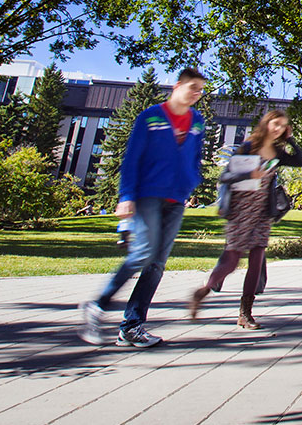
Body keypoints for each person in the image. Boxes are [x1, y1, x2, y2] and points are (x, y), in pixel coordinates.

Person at [79, 68, 208, 347]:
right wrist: (126, 196)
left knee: (157, 264)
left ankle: (132, 326)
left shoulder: (197, 121)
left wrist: (189, 184)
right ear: (178, 86)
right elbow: (131, 158)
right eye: (193, 87)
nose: (197, 94)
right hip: (147, 194)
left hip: (176, 199)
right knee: (143, 253)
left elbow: (195, 157)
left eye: (201, 90)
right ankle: (98, 305)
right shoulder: (150, 117)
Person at [189, 109, 302, 329]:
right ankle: (204, 290)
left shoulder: (278, 152)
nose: (279, 128)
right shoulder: (247, 147)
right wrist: (249, 174)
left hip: (262, 213)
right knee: (232, 261)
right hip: (241, 211)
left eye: (283, 126)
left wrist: (291, 139)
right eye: (276, 124)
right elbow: (225, 177)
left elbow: (301, 160)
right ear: (266, 124)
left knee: (256, 261)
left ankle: (245, 314)